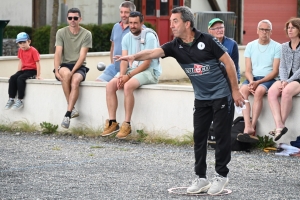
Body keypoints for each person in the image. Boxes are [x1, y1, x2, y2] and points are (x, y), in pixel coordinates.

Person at [116, 6, 244, 195]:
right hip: (201, 98)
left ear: (187, 23)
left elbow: (229, 62)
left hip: (222, 95)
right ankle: (201, 178)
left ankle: (221, 176)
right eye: (171, 22)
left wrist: (235, 90)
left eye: (175, 21)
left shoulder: (207, 41)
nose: (172, 25)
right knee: (199, 137)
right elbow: (152, 53)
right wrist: (133, 56)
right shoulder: (175, 46)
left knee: (222, 136)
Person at [101, 11, 161, 139]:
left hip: (149, 71)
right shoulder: (127, 37)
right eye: (130, 23)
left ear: (142, 23)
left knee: (128, 86)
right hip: (131, 70)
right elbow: (124, 59)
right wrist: (122, 75)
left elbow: (147, 62)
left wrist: (128, 77)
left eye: (135, 23)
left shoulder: (149, 36)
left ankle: (127, 124)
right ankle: (112, 122)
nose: (132, 26)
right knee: (110, 86)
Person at [237, 19, 281, 143]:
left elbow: (275, 71)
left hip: (268, 78)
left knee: (259, 91)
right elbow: (248, 70)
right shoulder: (250, 45)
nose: (264, 32)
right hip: (253, 78)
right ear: (257, 31)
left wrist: (258, 83)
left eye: (267, 30)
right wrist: (251, 81)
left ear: (271, 32)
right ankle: (248, 126)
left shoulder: (277, 46)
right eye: (262, 29)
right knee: (243, 90)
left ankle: (253, 124)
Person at [54, 8, 92, 129]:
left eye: (75, 18)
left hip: (79, 65)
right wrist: (56, 69)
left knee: (75, 81)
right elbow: (58, 53)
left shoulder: (86, 34)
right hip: (65, 64)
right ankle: (72, 109)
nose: (73, 20)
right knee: (66, 75)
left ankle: (68, 113)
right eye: (70, 18)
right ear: (67, 19)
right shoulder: (61, 32)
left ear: (80, 19)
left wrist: (74, 70)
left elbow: (82, 56)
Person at [268, 18, 300, 141]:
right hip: (285, 78)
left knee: (286, 92)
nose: (290, 30)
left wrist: (288, 81)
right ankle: (279, 125)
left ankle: (279, 126)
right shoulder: (284, 46)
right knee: (271, 92)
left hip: (298, 79)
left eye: (293, 27)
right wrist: (283, 80)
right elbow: (282, 66)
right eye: (288, 27)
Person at [95, 1, 136, 82]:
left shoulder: (137, 28)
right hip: (114, 67)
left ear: (133, 13)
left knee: (114, 85)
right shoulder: (116, 26)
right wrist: (112, 62)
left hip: (129, 69)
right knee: (98, 83)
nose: (123, 15)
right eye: (121, 12)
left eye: (126, 12)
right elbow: (113, 46)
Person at [4, 32, 41, 110]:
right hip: (24, 70)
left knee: (20, 79)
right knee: (13, 78)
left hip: (32, 70)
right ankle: (11, 99)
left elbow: (38, 63)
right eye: (20, 43)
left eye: (24, 42)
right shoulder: (20, 50)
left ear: (29, 42)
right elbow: (21, 61)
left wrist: (38, 75)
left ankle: (20, 100)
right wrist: (17, 73)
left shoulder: (33, 50)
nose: (22, 45)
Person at [208, 18, 241, 83]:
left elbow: (235, 65)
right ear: (210, 31)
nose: (220, 30)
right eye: (216, 28)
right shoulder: (207, 44)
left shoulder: (232, 44)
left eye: (221, 27)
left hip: (229, 77)